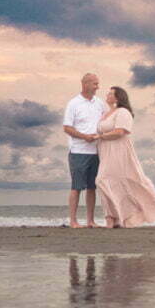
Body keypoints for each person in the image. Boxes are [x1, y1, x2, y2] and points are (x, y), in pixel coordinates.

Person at [95, 86, 155, 228]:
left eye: (111, 94)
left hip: (119, 150)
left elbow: (120, 132)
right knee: (110, 182)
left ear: (118, 97)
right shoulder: (106, 113)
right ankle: (112, 219)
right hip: (106, 151)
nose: (107, 95)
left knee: (102, 180)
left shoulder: (123, 112)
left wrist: (100, 136)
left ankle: (124, 215)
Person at [63, 73, 106, 228]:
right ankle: (73, 221)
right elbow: (67, 128)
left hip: (96, 151)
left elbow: (105, 122)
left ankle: (90, 221)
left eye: (97, 83)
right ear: (85, 84)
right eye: (95, 84)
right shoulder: (73, 104)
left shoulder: (99, 103)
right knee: (76, 187)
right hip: (78, 151)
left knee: (92, 188)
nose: (97, 87)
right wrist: (84, 137)